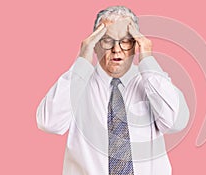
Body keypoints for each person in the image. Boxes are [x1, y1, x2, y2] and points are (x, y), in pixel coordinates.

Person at [36, 5, 189, 175]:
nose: (117, 49)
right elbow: (49, 123)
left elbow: (176, 123)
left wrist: (148, 61)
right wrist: (82, 61)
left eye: (125, 41)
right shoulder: (77, 83)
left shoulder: (153, 82)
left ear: (136, 44)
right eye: (107, 40)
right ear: (95, 45)